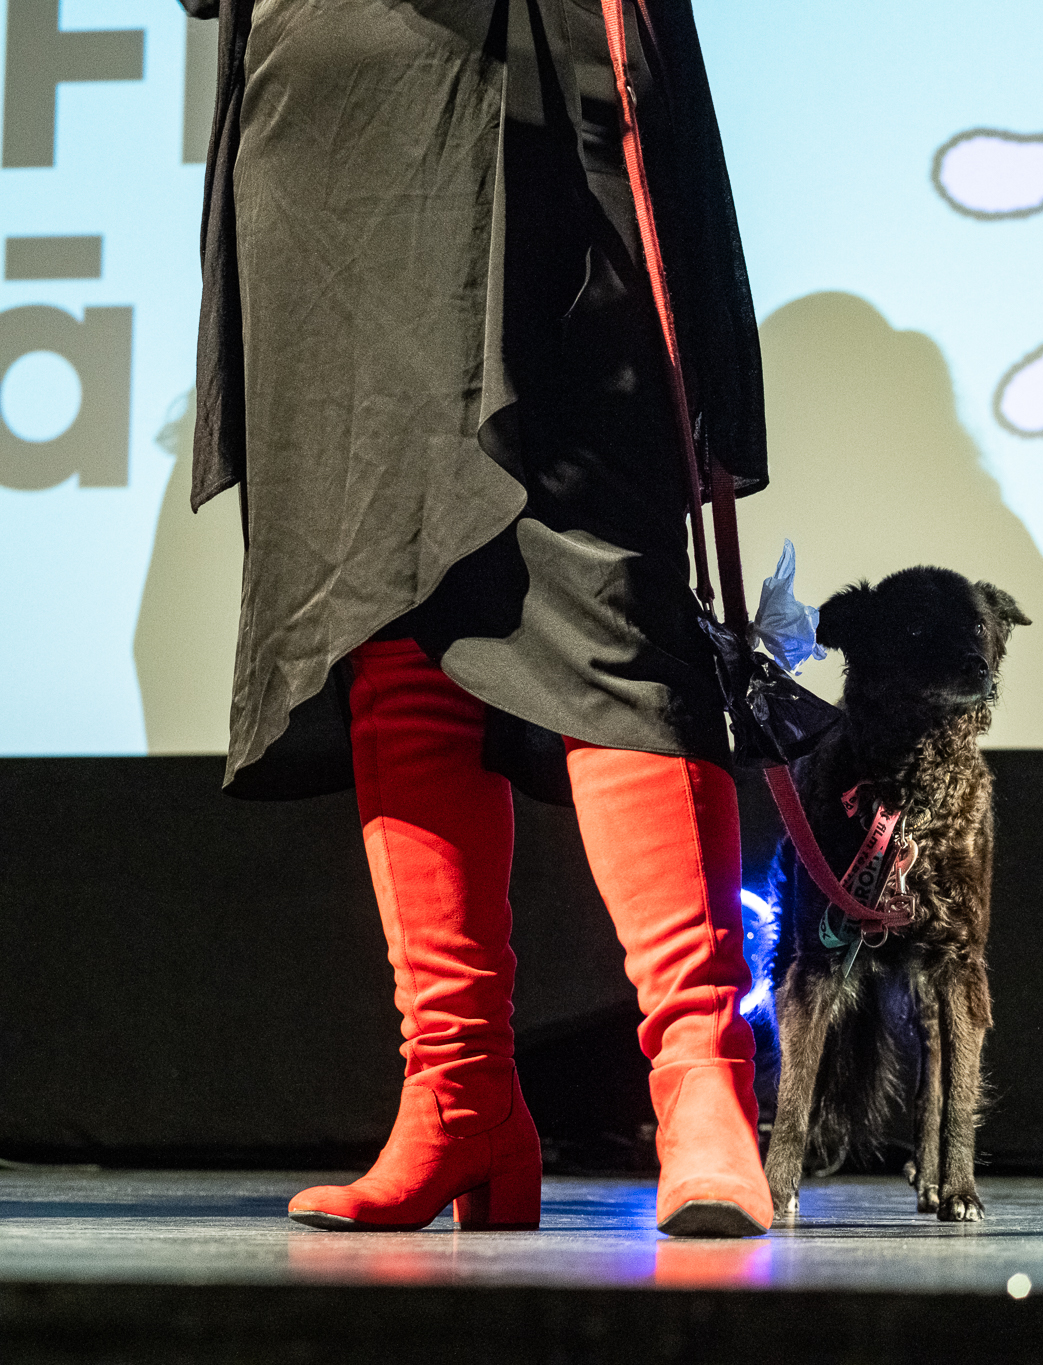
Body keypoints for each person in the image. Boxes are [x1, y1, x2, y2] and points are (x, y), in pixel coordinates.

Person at [182, 0, 773, 1236]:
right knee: (386, 615)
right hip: (331, 128)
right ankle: (458, 1098)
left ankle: (700, 1085)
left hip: (539, 99)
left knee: (607, 609)